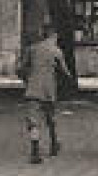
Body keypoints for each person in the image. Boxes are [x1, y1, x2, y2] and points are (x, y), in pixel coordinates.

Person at [19, 24, 70, 164]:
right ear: (54, 36)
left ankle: (35, 151)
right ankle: (54, 144)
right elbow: (65, 72)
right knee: (51, 118)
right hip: (49, 91)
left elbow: (21, 69)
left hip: (33, 89)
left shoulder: (32, 49)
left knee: (33, 121)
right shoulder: (57, 51)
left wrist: (27, 80)